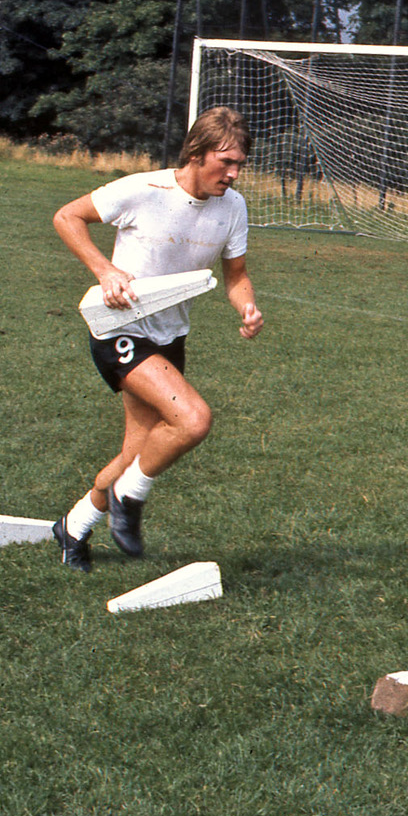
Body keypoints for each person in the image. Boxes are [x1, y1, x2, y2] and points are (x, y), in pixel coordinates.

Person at [51, 106, 263, 572]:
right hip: (119, 329)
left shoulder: (234, 208)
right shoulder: (143, 190)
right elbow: (67, 217)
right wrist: (104, 269)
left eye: (239, 165)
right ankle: (131, 496)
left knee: (136, 452)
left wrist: (245, 307)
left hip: (169, 339)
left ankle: (74, 525)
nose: (232, 174)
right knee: (193, 420)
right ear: (196, 153)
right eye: (224, 162)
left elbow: (237, 276)